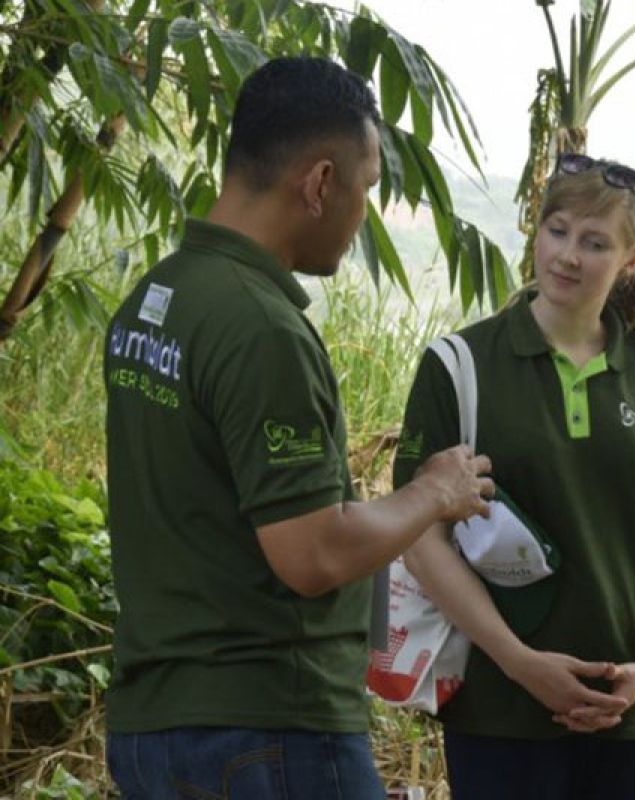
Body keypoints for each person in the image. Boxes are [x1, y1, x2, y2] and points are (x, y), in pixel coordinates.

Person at [103, 57, 493, 798]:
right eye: (367, 189)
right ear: (319, 183)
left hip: (152, 727)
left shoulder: (156, 297)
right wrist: (434, 493)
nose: (363, 214)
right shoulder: (261, 328)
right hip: (263, 731)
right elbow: (311, 553)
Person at [392, 153, 635, 799]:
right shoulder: (458, 366)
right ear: (534, 234)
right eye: (557, 230)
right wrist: (519, 663)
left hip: (629, 712)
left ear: (630, 262)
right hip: (499, 707)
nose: (569, 255)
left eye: (595, 243)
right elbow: (416, 533)